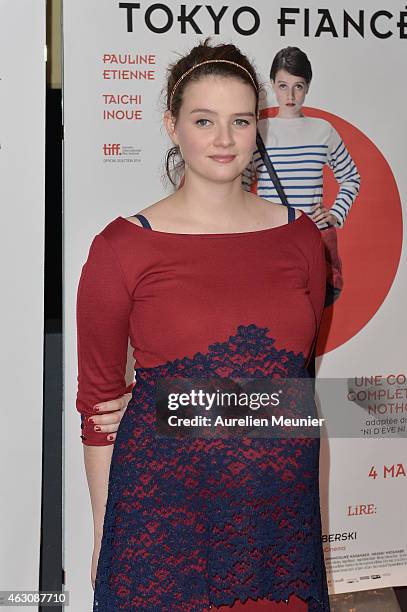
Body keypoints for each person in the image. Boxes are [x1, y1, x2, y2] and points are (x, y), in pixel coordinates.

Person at [76, 40, 329, 611]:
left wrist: (171, 399)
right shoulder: (120, 249)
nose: (223, 139)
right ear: (172, 124)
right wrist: (102, 527)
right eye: (203, 120)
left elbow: (297, 387)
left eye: (239, 121)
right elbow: (96, 399)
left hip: (278, 519)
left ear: (256, 126)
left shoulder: (300, 238)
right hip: (164, 518)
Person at [242, 46, 360, 306]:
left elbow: (351, 176)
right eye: (283, 85)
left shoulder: (323, 131)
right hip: (269, 240)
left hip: (311, 240)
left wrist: (336, 213)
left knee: (308, 315)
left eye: (298, 86)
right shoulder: (259, 131)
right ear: (272, 84)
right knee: (270, 315)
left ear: (308, 86)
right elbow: (239, 184)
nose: (291, 95)